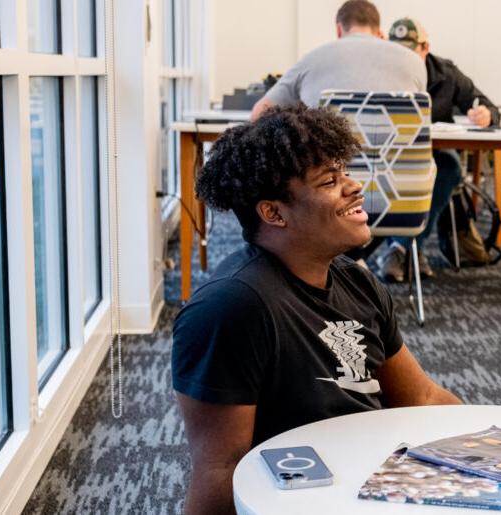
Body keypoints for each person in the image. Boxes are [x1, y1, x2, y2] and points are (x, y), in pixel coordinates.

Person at [172, 105, 461, 515]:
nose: (354, 187)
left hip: (377, 480)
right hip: (306, 499)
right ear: (273, 213)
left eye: (344, 173)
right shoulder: (230, 309)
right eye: (330, 181)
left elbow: (422, 397)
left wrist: (491, 449)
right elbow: (221, 467)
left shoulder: (356, 281)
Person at [374, 17, 501, 282]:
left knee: (450, 167)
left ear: (425, 47)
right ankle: (409, 249)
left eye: (410, 51)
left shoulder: (446, 72)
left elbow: (487, 104)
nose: (404, 58)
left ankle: (401, 248)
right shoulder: (379, 70)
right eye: (398, 51)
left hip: (432, 155)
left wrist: (485, 114)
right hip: (388, 155)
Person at [248, 0, 425, 121]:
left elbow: (258, 114)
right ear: (378, 30)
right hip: (399, 174)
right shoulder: (414, 61)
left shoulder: (312, 59)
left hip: (329, 174)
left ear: (339, 29)